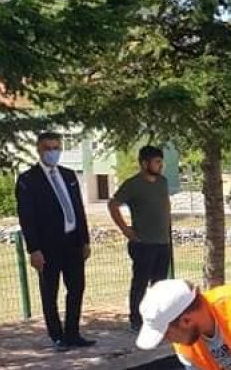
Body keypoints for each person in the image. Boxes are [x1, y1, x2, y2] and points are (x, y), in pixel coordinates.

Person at [16, 132, 95, 352]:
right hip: (47, 246)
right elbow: (27, 217)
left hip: (72, 242)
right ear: (39, 150)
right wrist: (34, 249)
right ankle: (57, 335)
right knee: (50, 291)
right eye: (48, 148)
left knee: (76, 288)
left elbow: (78, 209)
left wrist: (85, 240)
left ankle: (73, 333)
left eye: (56, 148)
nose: (52, 152)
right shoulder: (28, 180)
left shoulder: (68, 175)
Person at [109, 145, 173, 332]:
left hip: (163, 242)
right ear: (145, 163)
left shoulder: (162, 182)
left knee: (160, 284)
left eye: (161, 162)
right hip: (143, 243)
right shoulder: (133, 184)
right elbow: (113, 204)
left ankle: (157, 318)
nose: (160, 165)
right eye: (157, 162)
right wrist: (125, 229)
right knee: (140, 282)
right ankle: (136, 320)